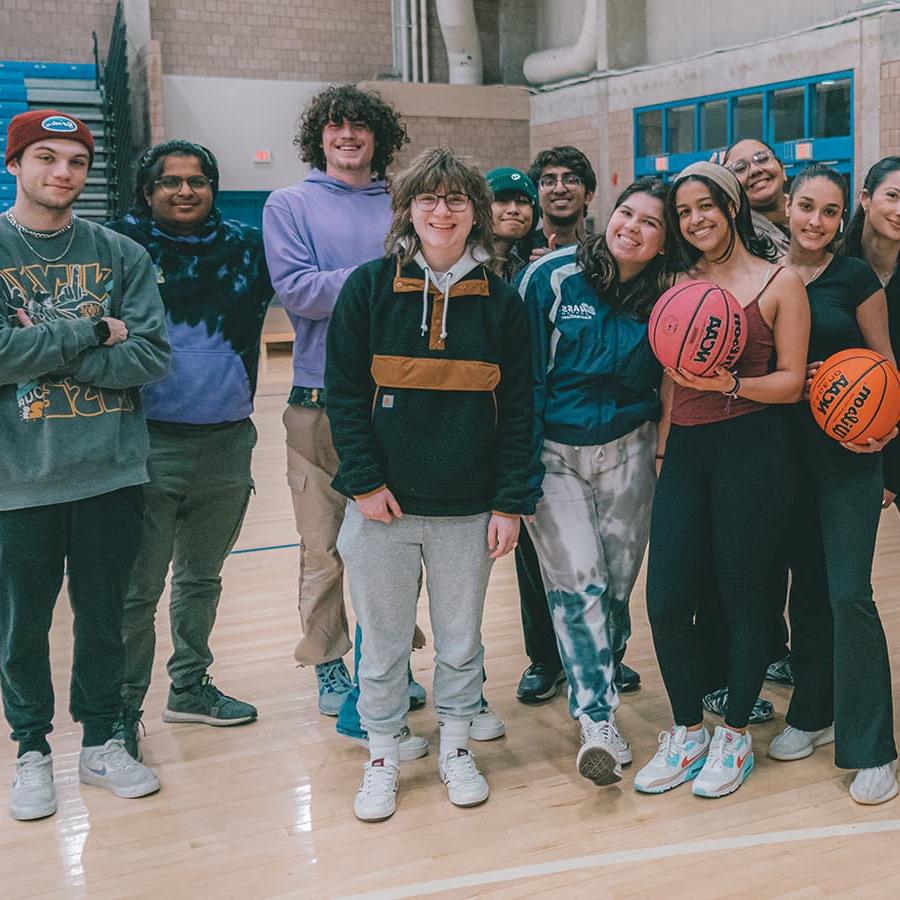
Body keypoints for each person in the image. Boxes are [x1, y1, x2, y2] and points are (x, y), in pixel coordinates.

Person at [325, 148, 533, 822]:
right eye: (428, 199)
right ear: (408, 208)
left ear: (475, 213)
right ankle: (384, 754)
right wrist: (361, 483)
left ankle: (455, 748)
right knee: (382, 644)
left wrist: (510, 501)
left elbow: (524, 409)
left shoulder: (503, 303)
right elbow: (345, 395)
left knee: (461, 641)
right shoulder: (368, 288)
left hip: (468, 509)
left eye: (455, 200)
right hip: (382, 506)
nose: (441, 211)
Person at [0, 109, 169, 820]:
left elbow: (151, 357)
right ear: (16, 164)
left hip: (109, 471)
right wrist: (94, 330)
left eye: (75, 160)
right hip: (18, 481)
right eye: (46, 157)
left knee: (105, 619)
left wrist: (39, 348)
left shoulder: (119, 254)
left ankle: (102, 741)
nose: (61, 172)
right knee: (21, 625)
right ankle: (31, 749)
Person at [635, 161, 809, 799]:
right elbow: (666, 374)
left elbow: (792, 382)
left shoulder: (779, 282)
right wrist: (662, 448)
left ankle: (734, 733)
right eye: (683, 212)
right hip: (687, 450)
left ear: (732, 206)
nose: (695, 219)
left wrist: (729, 383)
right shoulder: (677, 282)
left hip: (755, 451)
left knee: (745, 597)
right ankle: (687, 732)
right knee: (666, 599)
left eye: (705, 205)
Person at [262, 84, 424, 719]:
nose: (348, 135)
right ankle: (329, 667)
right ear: (319, 136)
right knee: (323, 549)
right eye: (336, 126)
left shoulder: (406, 203)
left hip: (400, 400)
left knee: (393, 545)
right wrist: (387, 282)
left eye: (361, 126)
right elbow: (300, 292)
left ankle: (387, 659)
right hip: (318, 402)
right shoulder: (289, 204)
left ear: (379, 137)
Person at [107, 141, 272, 756]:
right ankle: (123, 708)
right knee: (137, 590)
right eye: (170, 182)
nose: (185, 191)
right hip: (145, 442)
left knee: (202, 579)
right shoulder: (119, 247)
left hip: (228, 441)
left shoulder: (245, 246)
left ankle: (189, 687)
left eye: (198, 181)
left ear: (214, 188)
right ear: (147, 191)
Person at [517, 177, 667, 786]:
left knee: (614, 589)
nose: (631, 227)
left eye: (650, 223)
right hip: (554, 454)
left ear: (665, 242)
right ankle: (597, 720)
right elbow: (523, 375)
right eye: (626, 213)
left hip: (630, 449)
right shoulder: (553, 277)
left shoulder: (672, 294)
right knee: (577, 583)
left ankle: (599, 678)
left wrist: (662, 449)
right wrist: (518, 470)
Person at [767, 163, 898, 804]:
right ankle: (813, 712)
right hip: (785, 458)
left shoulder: (854, 278)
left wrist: (880, 430)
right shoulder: (766, 276)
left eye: (830, 210)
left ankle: (872, 747)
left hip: (849, 455)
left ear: (843, 215)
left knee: (849, 593)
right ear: (787, 207)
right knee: (807, 592)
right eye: (807, 207)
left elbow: (885, 367)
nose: (816, 221)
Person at [485, 165, 564, 704]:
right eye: (503, 200)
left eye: (522, 201)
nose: (514, 209)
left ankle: (591, 653)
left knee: (557, 549)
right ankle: (541, 657)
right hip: (481, 418)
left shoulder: (549, 262)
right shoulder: (466, 262)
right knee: (520, 550)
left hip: (538, 412)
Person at [843, 156, 900, 509]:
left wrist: (891, 472)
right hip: (842, 428)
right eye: (892, 196)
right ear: (865, 198)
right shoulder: (834, 266)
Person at [723, 139, 790, 258]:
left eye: (762, 159)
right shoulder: (735, 240)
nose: (754, 170)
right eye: (739, 167)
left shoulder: (815, 212)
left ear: (783, 169)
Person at [528, 146, 596, 262]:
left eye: (570, 180)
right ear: (536, 195)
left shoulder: (601, 253)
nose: (559, 189)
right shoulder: (519, 252)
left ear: (588, 196)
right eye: (549, 182)